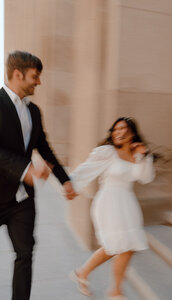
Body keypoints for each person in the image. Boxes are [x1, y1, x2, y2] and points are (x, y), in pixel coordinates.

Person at [0, 50, 76, 300]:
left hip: (22, 200)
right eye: (35, 76)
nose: (39, 82)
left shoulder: (34, 111)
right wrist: (25, 170)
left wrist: (64, 180)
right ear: (18, 74)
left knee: (25, 255)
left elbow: (44, 147)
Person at [69, 117, 155, 300]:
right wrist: (70, 185)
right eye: (115, 129)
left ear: (132, 133)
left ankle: (83, 273)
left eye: (123, 128)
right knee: (119, 246)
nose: (118, 132)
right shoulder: (107, 152)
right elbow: (86, 169)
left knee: (122, 246)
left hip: (128, 204)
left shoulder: (137, 154)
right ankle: (116, 292)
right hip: (108, 202)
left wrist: (143, 155)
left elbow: (146, 178)